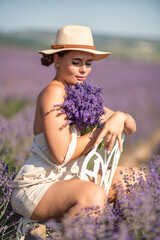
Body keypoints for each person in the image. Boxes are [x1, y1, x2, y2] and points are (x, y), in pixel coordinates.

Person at [11, 25, 136, 222]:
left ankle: (117, 233)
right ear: (57, 59)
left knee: (134, 180)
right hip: (40, 185)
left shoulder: (80, 95)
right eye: (76, 62)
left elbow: (131, 127)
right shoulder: (53, 93)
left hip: (72, 179)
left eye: (88, 63)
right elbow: (61, 155)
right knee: (93, 195)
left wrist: (119, 116)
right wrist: (101, 129)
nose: (84, 70)